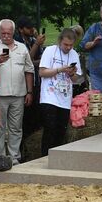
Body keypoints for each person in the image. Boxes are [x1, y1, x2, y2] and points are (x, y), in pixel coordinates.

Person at [0, 19, 34, 166]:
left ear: (13, 32)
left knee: (16, 127)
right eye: (3, 33)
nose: (6, 36)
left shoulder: (22, 48)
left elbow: (29, 70)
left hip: (18, 94)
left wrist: (30, 92)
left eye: (8, 33)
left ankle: (14, 157)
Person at [38, 29, 80, 157]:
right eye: (65, 44)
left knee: (61, 131)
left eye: (70, 45)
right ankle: (44, 157)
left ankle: (56, 157)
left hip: (64, 99)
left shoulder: (74, 54)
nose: (68, 48)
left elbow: (76, 79)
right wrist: (60, 69)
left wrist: (71, 73)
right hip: (49, 97)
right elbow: (42, 72)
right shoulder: (50, 51)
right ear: (60, 41)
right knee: (49, 128)